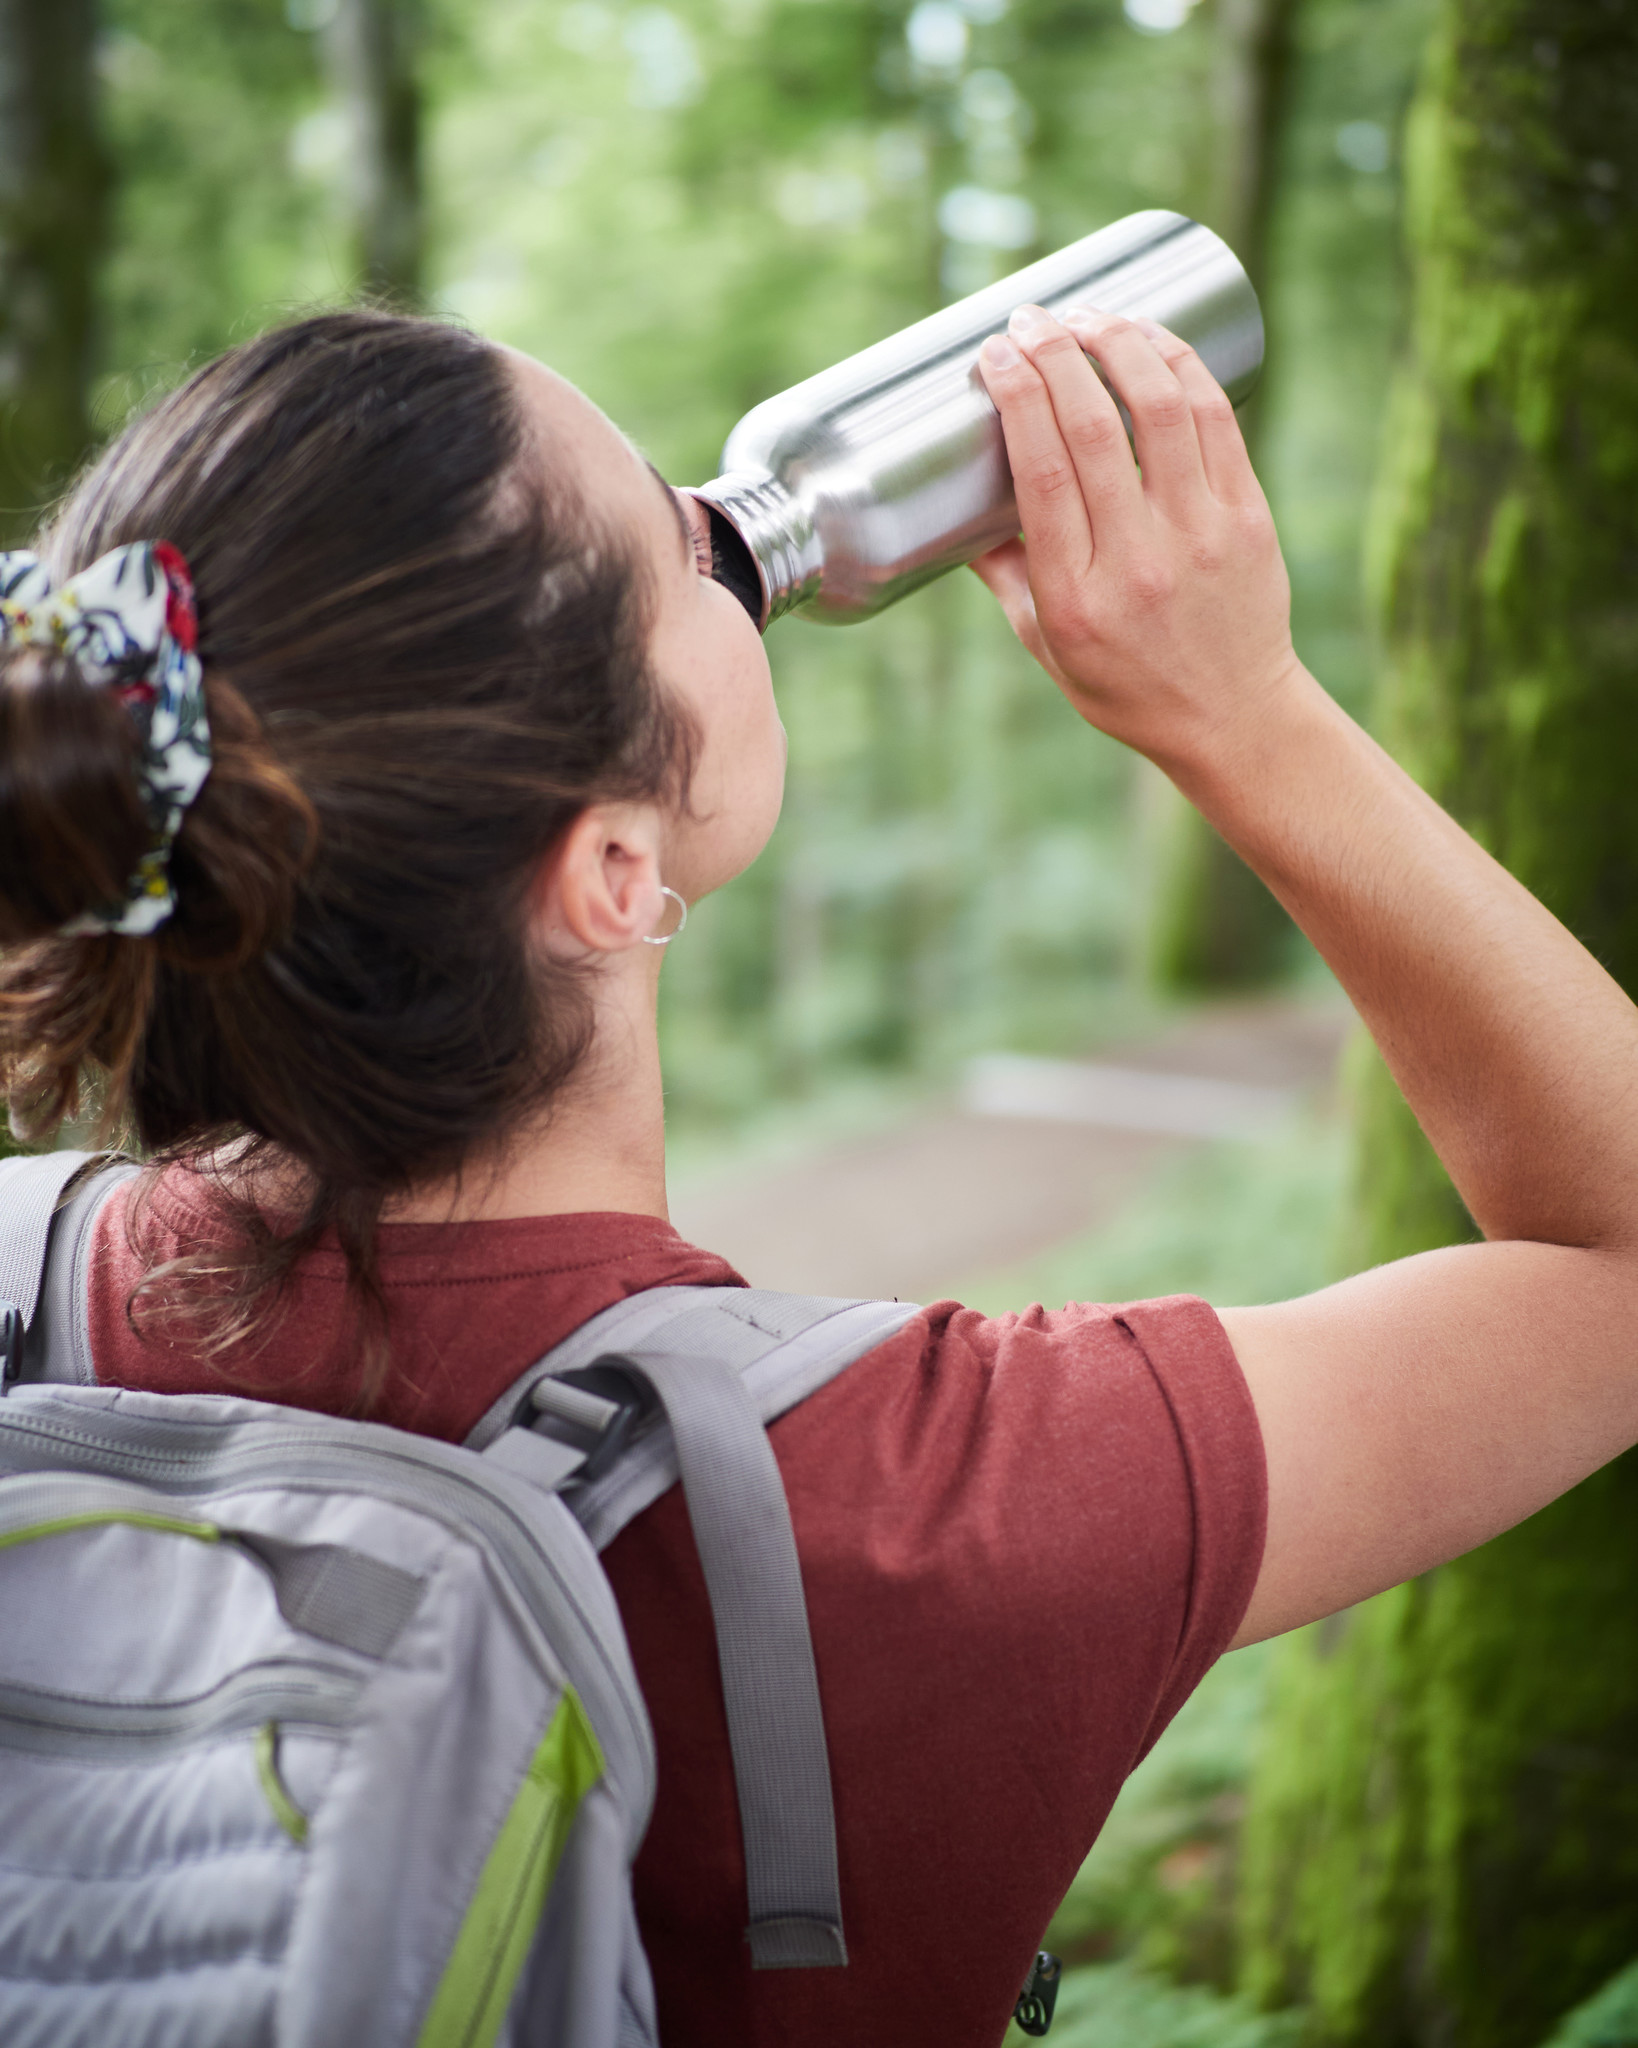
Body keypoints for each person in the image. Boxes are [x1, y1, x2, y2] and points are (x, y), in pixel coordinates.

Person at [1, 300, 1635, 2048]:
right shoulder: (936, 1511)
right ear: (616, 870)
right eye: (671, 543)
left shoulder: (26, 1287)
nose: (729, 540)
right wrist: (1242, 712)